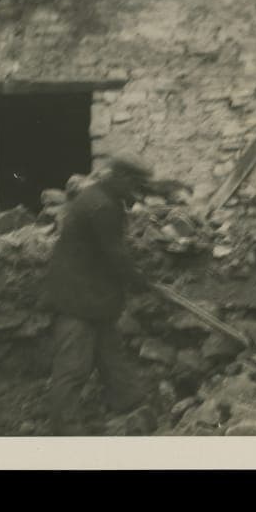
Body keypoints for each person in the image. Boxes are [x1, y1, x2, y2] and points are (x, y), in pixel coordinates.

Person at [42, 154, 157, 435]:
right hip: (78, 298)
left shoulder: (99, 196)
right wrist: (138, 279)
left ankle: (130, 403)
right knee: (73, 366)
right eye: (135, 187)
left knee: (110, 353)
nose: (137, 196)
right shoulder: (102, 206)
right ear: (121, 178)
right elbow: (114, 254)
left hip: (92, 295)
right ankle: (65, 429)